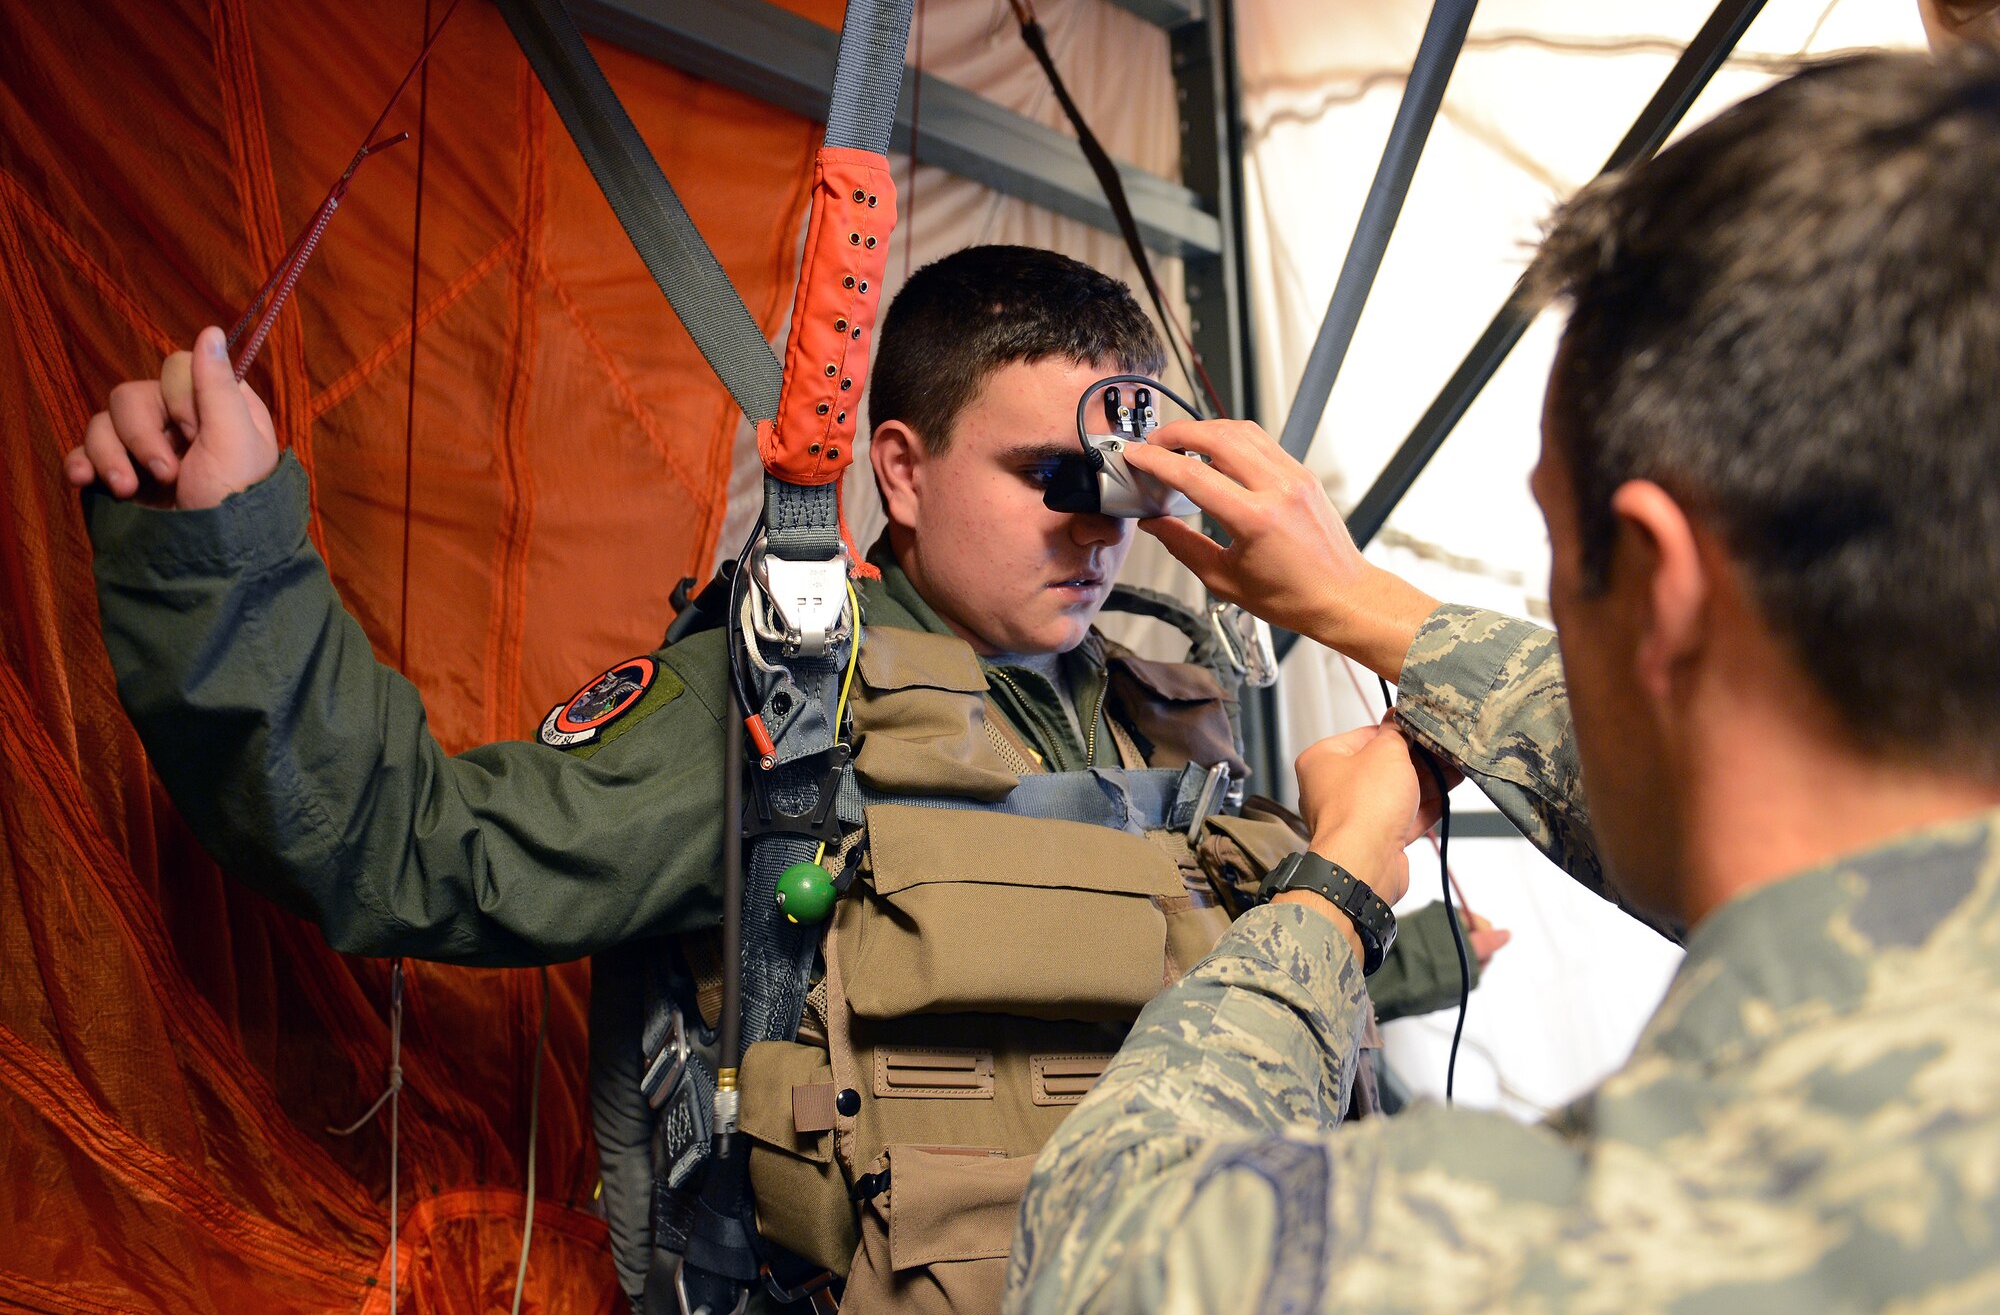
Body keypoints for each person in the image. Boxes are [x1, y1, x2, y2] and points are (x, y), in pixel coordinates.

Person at [67, 243, 1488, 1311]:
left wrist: (1406, 947)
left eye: (1123, 489)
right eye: (1051, 478)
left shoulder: (1163, 714)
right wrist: (225, 562)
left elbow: (1183, 989)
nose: (1095, 534)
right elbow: (414, 847)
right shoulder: (789, 705)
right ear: (904, 471)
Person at [1007, 47, 2000, 1313]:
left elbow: (1104, 1245)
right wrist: (1357, 602)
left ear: (1658, 588)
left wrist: (1331, 887)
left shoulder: (1546, 1258)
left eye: (1558, 551)